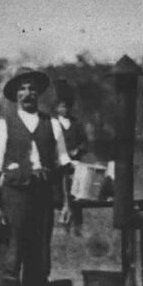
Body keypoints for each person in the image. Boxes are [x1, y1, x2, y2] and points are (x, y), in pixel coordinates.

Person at [0, 68, 72, 286]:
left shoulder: (52, 123)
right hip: (14, 196)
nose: (27, 93)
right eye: (22, 89)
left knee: (39, 260)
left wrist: (66, 203)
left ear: (38, 93)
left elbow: (63, 165)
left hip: (42, 196)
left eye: (31, 88)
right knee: (11, 259)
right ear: (15, 95)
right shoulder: (3, 125)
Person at [53, 82, 89, 235]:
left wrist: (78, 150)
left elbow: (85, 142)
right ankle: (64, 225)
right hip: (59, 164)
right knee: (60, 194)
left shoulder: (76, 124)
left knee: (77, 194)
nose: (64, 109)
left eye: (66, 107)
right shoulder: (53, 123)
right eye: (61, 106)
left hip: (75, 163)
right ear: (57, 108)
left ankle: (78, 226)